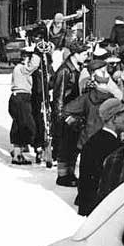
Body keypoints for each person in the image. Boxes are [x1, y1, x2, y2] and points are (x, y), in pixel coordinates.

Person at [76, 99, 124, 216]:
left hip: (91, 208)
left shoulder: (92, 141)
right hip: (105, 209)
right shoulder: (115, 147)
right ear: (114, 119)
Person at [51, 45, 87, 186]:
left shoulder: (75, 68)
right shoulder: (65, 70)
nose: (86, 56)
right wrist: (61, 116)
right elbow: (58, 95)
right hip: (66, 112)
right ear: (75, 54)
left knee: (72, 144)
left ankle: (70, 173)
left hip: (73, 111)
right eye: (84, 53)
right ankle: (63, 175)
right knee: (66, 145)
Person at [7, 47, 42, 165]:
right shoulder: (20, 68)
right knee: (28, 126)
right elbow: (33, 66)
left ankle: (18, 153)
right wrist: (37, 54)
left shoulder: (19, 69)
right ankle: (19, 152)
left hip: (19, 98)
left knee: (19, 125)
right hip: (21, 98)